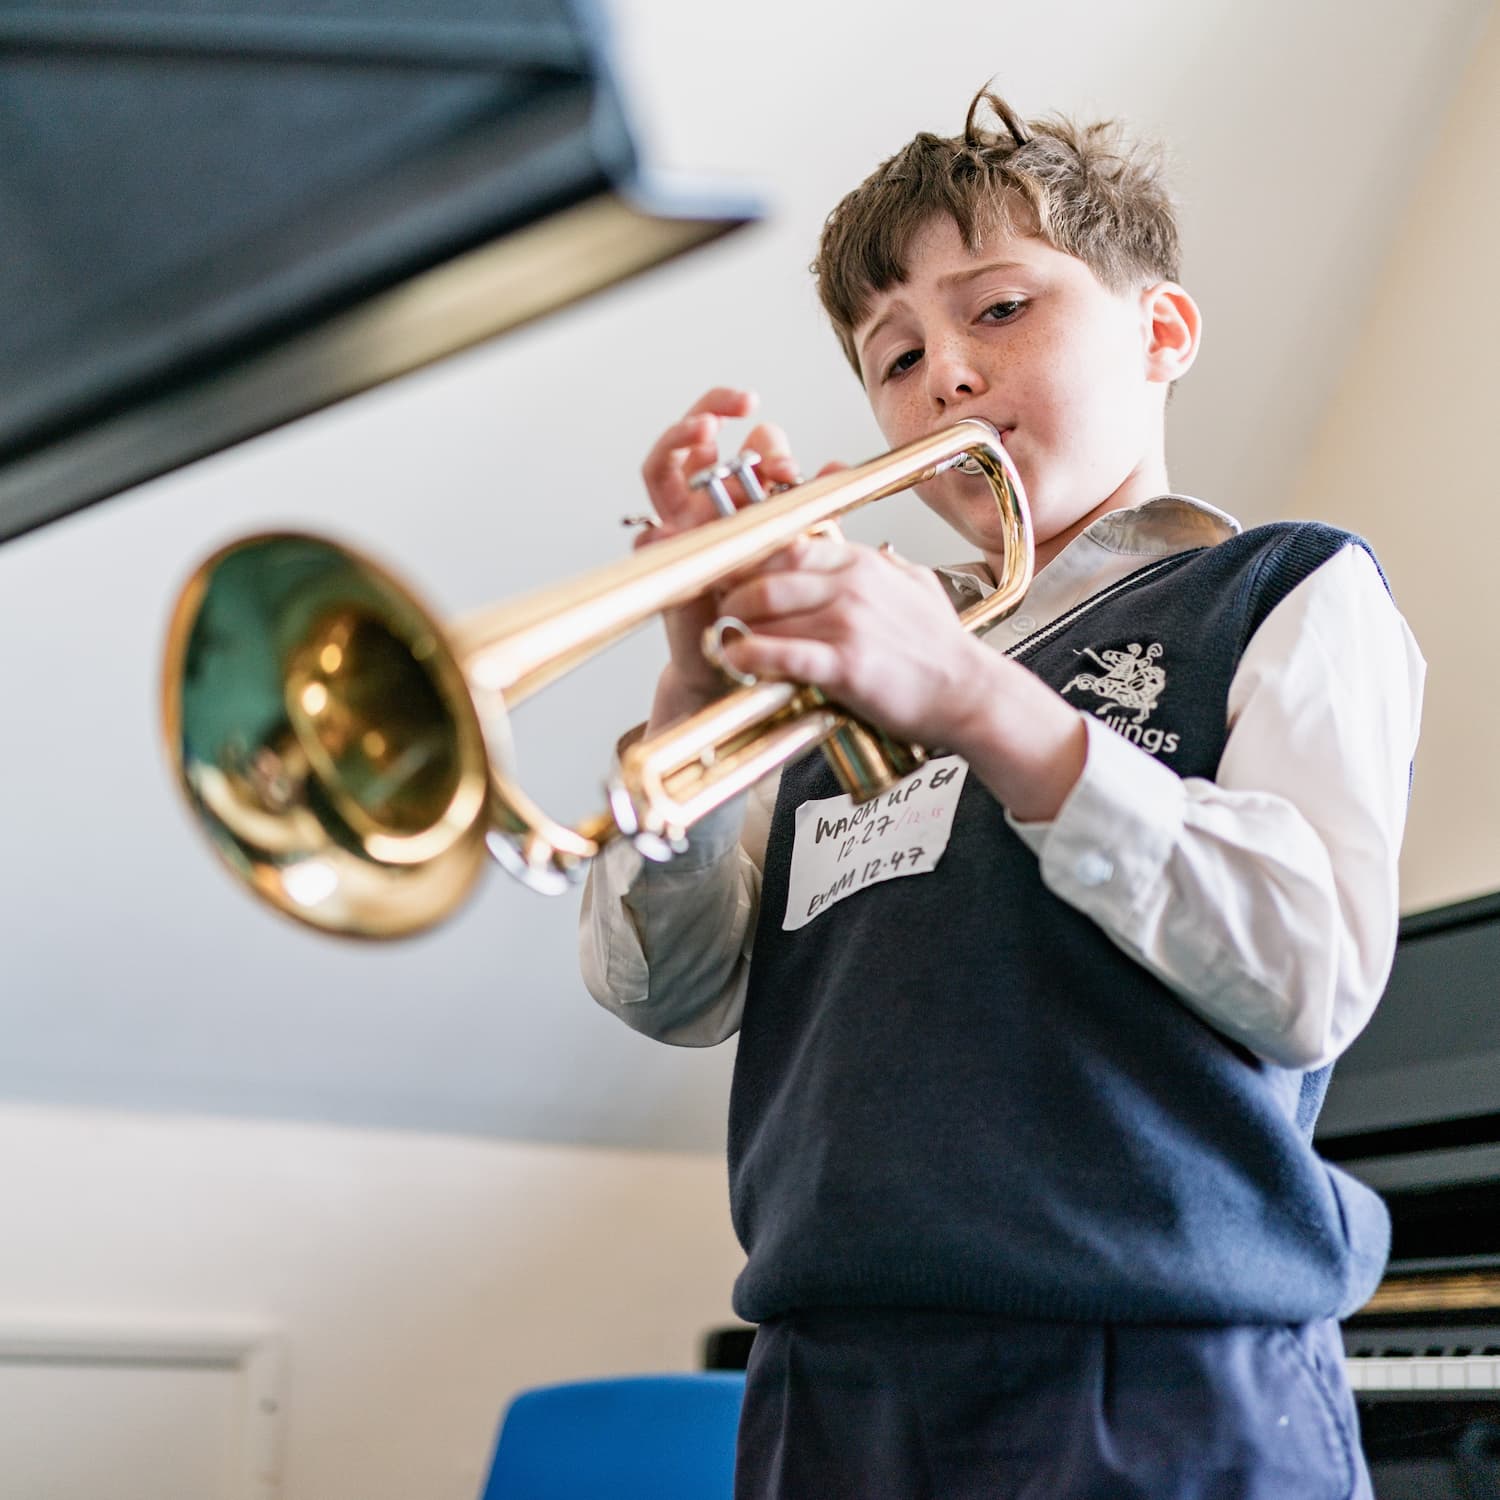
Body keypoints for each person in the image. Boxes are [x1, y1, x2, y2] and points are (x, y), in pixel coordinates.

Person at [580, 87, 1424, 1500]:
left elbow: (1309, 970)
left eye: (1003, 309)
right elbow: (668, 992)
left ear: (1162, 333)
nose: (950, 378)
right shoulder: (857, 655)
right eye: (898, 355)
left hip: (1156, 1373)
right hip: (833, 1380)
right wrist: (693, 687)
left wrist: (973, 699)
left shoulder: (1285, 588)